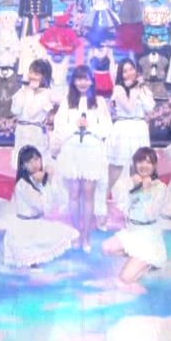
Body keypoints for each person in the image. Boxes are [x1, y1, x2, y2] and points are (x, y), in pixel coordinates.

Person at [52, 65, 112, 251]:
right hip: (71, 152)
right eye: (79, 79)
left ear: (92, 81)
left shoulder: (99, 102)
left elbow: (107, 129)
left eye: (86, 79)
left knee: (88, 194)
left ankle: (86, 235)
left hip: (92, 152)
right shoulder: (66, 102)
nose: (83, 83)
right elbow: (59, 128)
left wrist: (89, 127)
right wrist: (75, 126)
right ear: (73, 81)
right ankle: (76, 232)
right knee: (74, 193)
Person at [102, 147, 169, 284]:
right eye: (140, 162)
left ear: (155, 165)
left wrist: (144, 191)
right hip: (132, 232)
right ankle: (136, 259)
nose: (144, 166)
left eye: (148, 162)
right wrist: (133, 186)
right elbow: (123, 206)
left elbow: (150, 214)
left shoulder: (160, 187)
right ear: (134, 164)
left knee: (125, 278)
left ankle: (150, 263)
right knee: (106, 248)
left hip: (148, 237)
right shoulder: (130, 182)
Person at [3, 145, 77, 267]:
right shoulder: (22, 184)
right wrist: (46, 181)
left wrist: (50, 180)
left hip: (36, 224)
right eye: (29, 162)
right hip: (23, 229)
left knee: (70, 235)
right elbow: (41, 206)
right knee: (30, 262)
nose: (34, 164)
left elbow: (59, 201)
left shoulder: (39, 179)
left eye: (37, 159)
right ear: (23, 165)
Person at [107, 58, 155, 192]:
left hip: (140, 128)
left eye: (131, 69)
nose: (129, 73)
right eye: (125, 71)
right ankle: (104, 197)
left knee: (139, 166)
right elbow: (129, 108)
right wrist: (134, 89)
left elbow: (150, 107)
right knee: (117, 166)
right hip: (124, 128)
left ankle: (136, 197)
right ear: (120, 74)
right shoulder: (119, 88)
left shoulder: (142, 88)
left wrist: (141, 88)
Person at [10, 59, 54, 169]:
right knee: (20, 165)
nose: (32, 76)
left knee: (35, 165)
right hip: (21, 131)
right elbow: (15, 110)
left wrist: (30, 92)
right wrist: (25, 92)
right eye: (31, 72)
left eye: (36, 74)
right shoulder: (22, 91)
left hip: (35, 133)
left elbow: (31, 113)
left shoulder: (46, 94)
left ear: (44, 77)